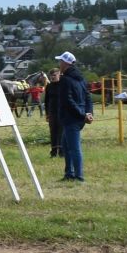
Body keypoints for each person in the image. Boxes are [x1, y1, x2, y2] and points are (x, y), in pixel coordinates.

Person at [56, 52, 92, 182]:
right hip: (80, 117)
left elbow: (68, 101)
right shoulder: (81, 78)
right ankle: (69, 173)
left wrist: (83, 115)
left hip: (71, 118)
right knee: (66, 145)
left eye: (60, 61)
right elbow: (88, 96)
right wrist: (89, 113)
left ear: (66, 63)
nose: (59, 64)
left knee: (74, 148)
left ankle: (79, 176)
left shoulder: (65, 79)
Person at [43, 68, 63, 156]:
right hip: (52, 113)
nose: (52, 77)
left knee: (61, 132)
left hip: (62, 112)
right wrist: (47, 114)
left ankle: (62, 152)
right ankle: (53, 152)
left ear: (59, 75)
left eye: (54, 75)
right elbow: (46, 101)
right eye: (51, 76)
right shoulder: (49, 86)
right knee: (53, 132)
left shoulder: (63, 85)